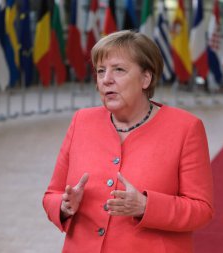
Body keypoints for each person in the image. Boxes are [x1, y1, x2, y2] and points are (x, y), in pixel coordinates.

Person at [43, 30, 214, 253]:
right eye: (101, 71)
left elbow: (202, 210)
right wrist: (65, 206)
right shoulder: (81, 121)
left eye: (119, 70)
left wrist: (146, 206)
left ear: (146, 78)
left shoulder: (186, 128)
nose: (106, 80)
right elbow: (52, 195)